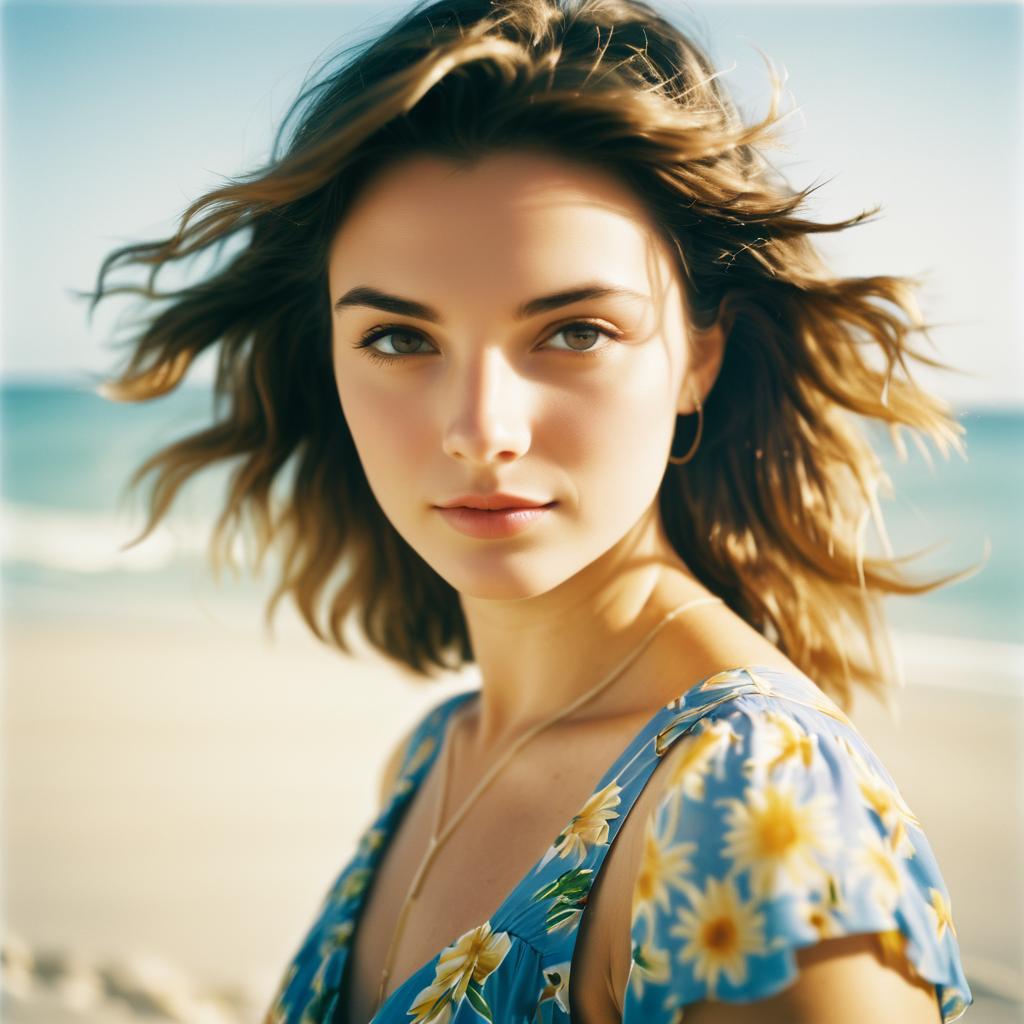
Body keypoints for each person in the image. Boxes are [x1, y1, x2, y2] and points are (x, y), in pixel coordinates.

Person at [86, 0, 977, 1020]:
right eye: (396, 339)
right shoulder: (434, 753)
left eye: (576, 331)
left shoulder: (750, 819)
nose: (479, 429)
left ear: (699, 353)